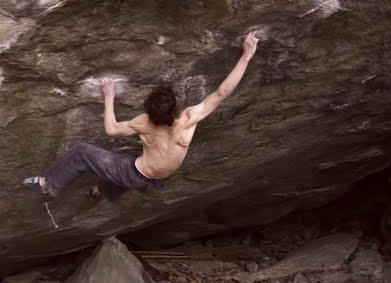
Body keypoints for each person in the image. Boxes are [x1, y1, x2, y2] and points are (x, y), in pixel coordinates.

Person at [23, 31, 260, 201]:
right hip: (157, 181)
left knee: (82, 152)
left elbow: (111, 130)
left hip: (135, 174)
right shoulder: (188, 120)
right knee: (124, 160)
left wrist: (108, 97)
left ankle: (47, 184)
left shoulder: (143, 123)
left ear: (149, 111)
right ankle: (101, 192)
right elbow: (222, 92)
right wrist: (246, 55)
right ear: (175, 108)